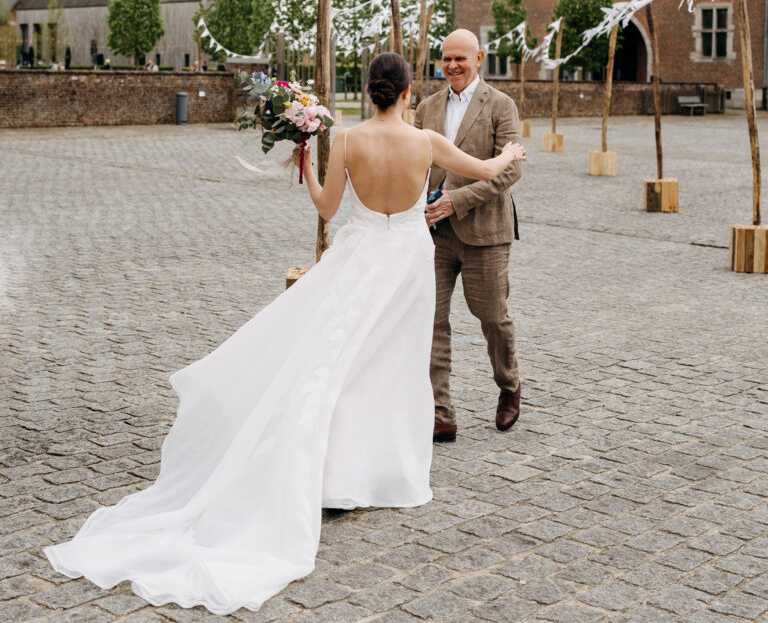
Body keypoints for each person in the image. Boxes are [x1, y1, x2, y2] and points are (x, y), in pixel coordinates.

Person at [44, 51, 526, 616]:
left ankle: (335, 472)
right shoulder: (424, 142)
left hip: (361, 256)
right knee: (391, 365)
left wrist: (305, 158)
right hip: (408, 264)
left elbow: (326, 206)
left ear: (369, 90)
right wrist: (511, 152)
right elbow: (488, 171)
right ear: (406, 91)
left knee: (341, 363)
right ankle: (381, 471)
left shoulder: (345, 139)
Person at [414, 29, 524, 442]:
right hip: (435, 235)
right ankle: (441, 412)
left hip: (486, 235)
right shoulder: (426, 107)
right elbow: (415, 163)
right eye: (446, 59)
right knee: (432, 320)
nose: (453, 66)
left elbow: (510, 169)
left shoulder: (501, 105)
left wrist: (456, 200)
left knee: (493, 318)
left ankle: (509, 385)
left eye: (461, 58)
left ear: (479, 57)